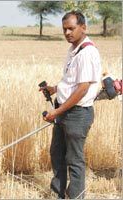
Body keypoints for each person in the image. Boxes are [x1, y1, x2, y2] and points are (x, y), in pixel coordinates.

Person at [39, 11, 102, 199]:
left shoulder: (87, 52)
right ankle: (58, 193)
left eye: (71, 28)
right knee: (57, 153)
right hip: (65, 111)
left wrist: (57, 111)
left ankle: (75, 196)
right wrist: (54, 89)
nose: (67, 33)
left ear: (83, 27)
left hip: (77, 114)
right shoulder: (74, 49)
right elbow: (72, 81)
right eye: (64, 29)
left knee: (74, 159)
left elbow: (82, 89)